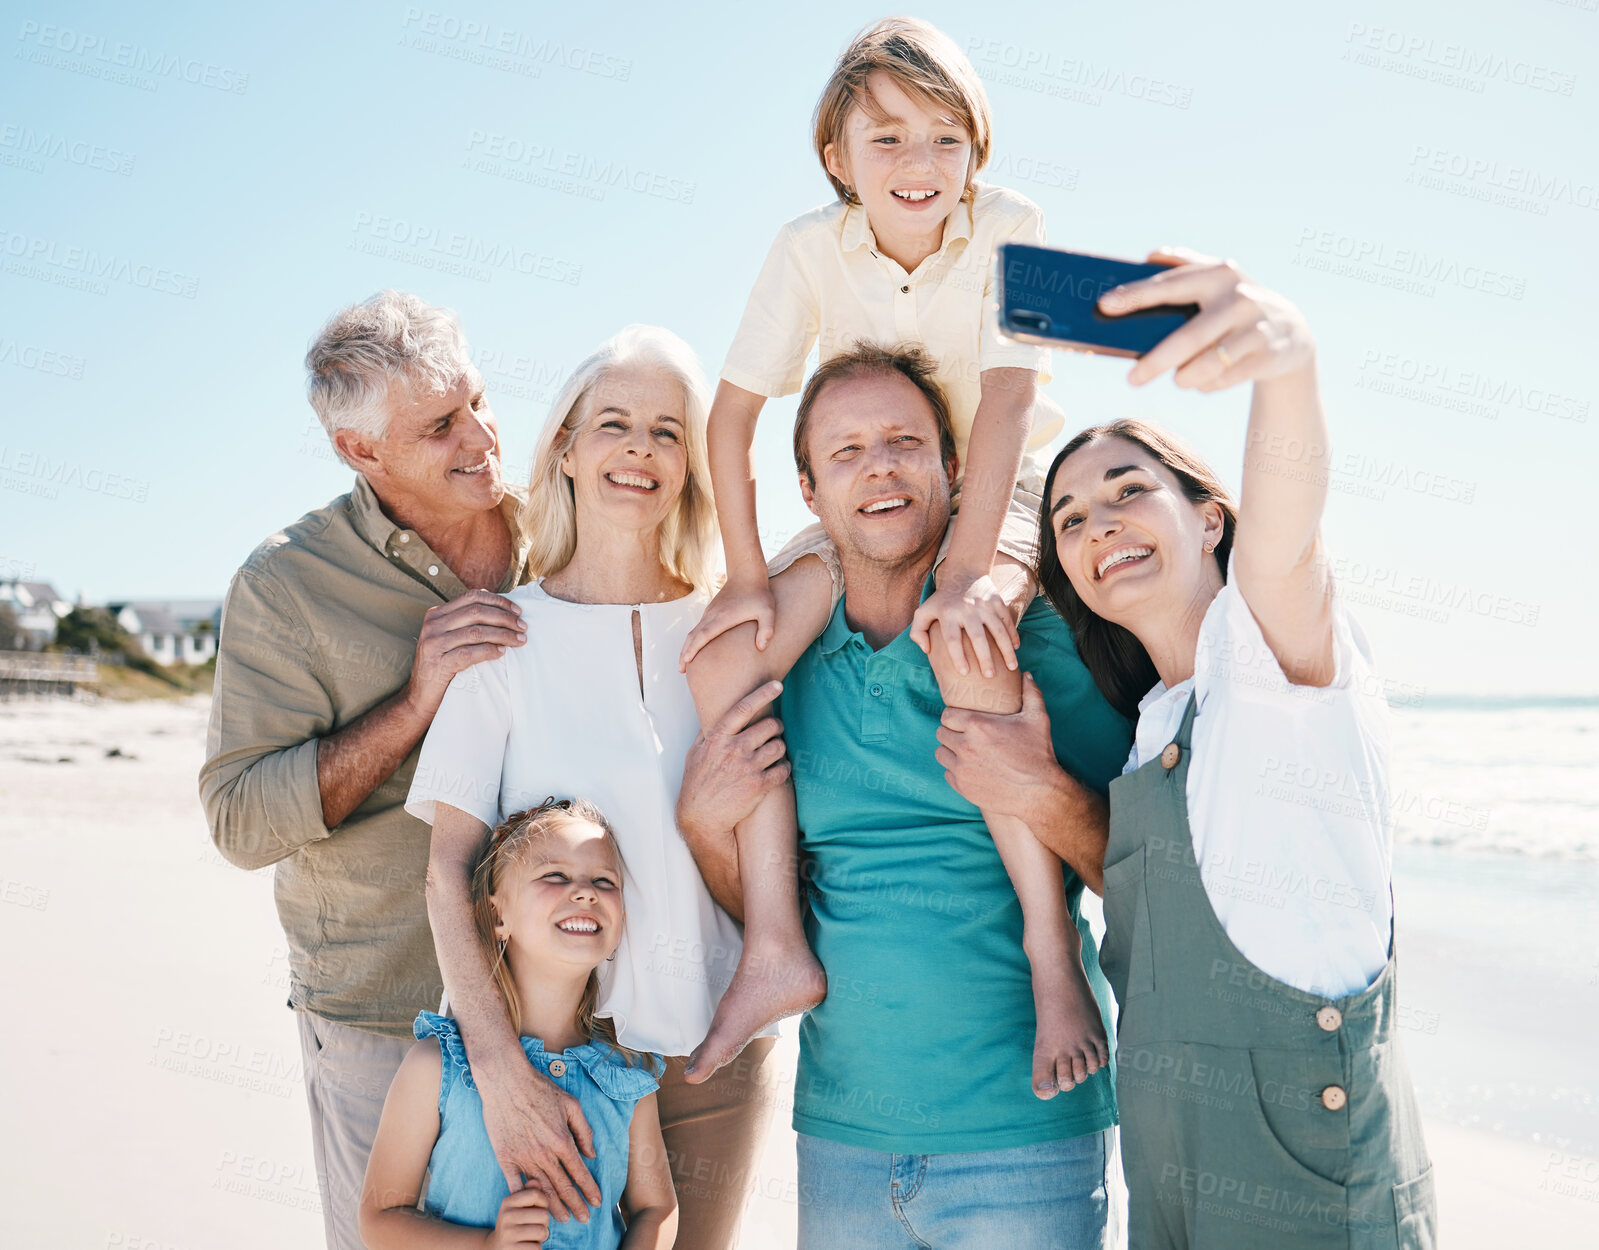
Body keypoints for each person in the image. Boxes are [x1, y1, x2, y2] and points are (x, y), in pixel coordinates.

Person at [676, 15, 1106, 1102]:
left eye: (944, 139)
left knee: (967, 643)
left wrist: (968, 569)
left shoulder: (1022, 225)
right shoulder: (805, 248)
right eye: (887, 140)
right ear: (837, 157)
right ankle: (776, 939)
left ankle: (1054, 962)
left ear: (977, 151)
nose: (919, 167)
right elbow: (729, 421)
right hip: (867, 490)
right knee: (725, 655)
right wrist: (741, 574)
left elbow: (1007, 404)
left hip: (1000, 496)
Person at [1021, 246, 1435, 1246]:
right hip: (1173, 1179)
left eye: (1127, 490)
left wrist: (1286, 362)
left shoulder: (1267, 657)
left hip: (1306, 1176)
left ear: (1209, 518)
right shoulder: (1149, 731)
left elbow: (1288, 542)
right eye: (1071, 516)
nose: (1099, 523)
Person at [679, 342, 1132, 1248]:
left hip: (1024, 1133)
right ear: (807, 493)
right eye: (844, 453)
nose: (878, 468)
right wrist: (700, 825)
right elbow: (771, 909)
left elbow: (1143, 875)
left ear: (952, 466)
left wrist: (1038, 788)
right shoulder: (787, 661)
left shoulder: (1032, 641)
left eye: (902, 442)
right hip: (843, 1137)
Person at [405, 326, 780, 1250]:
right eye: (613, 423)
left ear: (693, 465)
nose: (640, 450)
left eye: (667, 431)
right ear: (565, 451)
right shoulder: (504, 638)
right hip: (553, 1057)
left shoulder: (732, 629)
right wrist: (498, 1070)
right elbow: (449, 868)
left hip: (716, 1047)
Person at [199, 290, 532, 1249]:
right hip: (386, 1009)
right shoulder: (284, 584)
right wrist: (413, 705)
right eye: (439, 425)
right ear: (361, 451)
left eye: (477, 399)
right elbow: (240, 824)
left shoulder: (563, 528)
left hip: (566, 994)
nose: (479, 436)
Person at [360, 799, 678, 1250]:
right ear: (496, 917)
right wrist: (486, 1245)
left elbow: (656, 1208)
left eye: (604, 881)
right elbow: (379, 1219)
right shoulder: (436, 1066)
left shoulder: (629, 1071)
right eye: (556, 876)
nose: (585, 892)